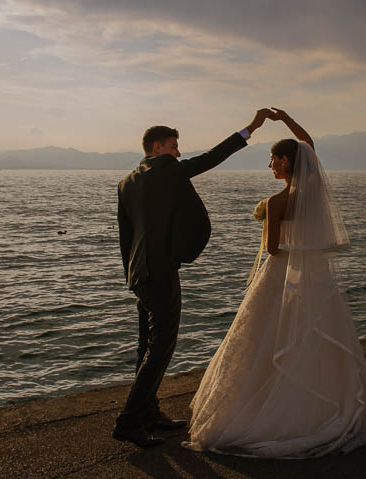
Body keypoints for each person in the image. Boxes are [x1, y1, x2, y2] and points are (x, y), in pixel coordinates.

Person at [183, 108, 366, 458]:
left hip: (281, 274)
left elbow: (273, 249)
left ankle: (266, 405)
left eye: (273, 160)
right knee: (311, 334)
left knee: (267, 338)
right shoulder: (313, 188)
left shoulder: (276, 202)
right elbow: (308, 143)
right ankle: (322, 401)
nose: (270, 166)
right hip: (314, 276)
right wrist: (285, 118)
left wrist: (266, 217)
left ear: (286, 162)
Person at [114, 109, 277, 447]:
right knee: (161, 347)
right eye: (174, 146)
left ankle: (148, 413)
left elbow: (125, 236)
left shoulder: (127, 181)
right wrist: (251, 128)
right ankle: (129, 421)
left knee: (146, 346)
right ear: (157, 148)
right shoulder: (168, 170)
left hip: (139, 273)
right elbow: (211, 158)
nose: (178, 152)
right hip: (160, 272)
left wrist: (131, 275)